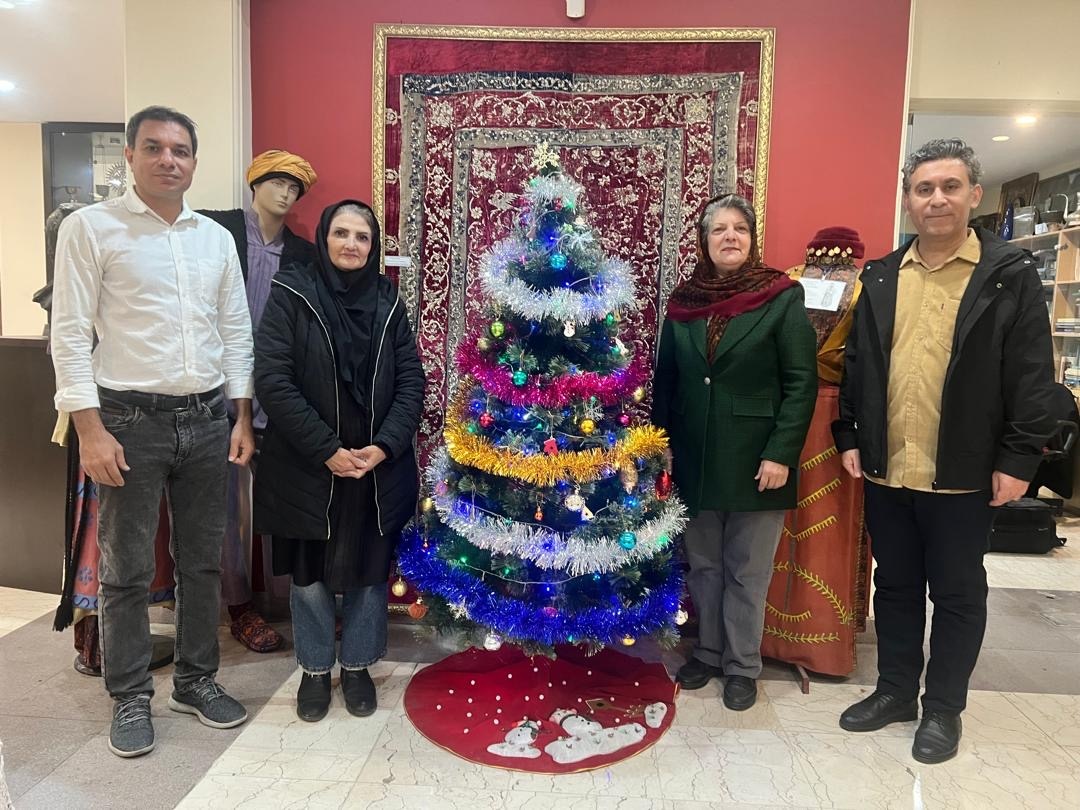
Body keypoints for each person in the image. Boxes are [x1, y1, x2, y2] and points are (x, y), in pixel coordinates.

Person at [833, 138, 1057, 764]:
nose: (937, 199)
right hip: (890, 468)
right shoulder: (882, 275)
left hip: (963, 472)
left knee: (958, 594)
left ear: (974, 195)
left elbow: (1033, 375)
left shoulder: (1008, 274)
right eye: (924, 188)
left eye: (950, 187)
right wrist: (849, 434)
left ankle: (943, 708)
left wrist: (1019, 460)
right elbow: (858, 364)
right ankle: (896, 691)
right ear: (907, 200)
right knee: (894, 586)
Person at [50, 105, 255, 758]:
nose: (169, 159)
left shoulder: (213, 238)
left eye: (181, 150)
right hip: (127, 422)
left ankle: (195, 681)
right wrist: (89, 429)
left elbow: (235, 329)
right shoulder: (91, 228)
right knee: (128, 567)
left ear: (194, 160)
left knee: (202, 562)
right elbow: (69, 332)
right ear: (131, 156)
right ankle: (130, 695)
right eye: (155, 147)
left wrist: (241, 415)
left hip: (207, 420)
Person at [253, 199, 424, 722]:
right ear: (324, 238)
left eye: (362, 237)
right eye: (341, 233)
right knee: (309, 573)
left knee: (370, 570)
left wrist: (385, 446)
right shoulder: (292, 293)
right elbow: (273, 380)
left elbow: (411, 382)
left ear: (373, 248)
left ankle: (357, 667)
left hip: (373, 468)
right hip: (308, 464)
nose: (351, 244)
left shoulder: (388, 302)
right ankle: (314, 669)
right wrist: (326, 449)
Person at [652, 193, 817, 710]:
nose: (730, 237)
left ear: (752, 239)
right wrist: (663, 447)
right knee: (704, 565)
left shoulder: (780, 295)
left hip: (757, 459)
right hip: (694, 456)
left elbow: (801, 381)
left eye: (739, 229)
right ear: (704, 241)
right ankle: (708, 651)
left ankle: (743, 665)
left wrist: (781, 452)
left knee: (748, 569)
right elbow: (667, 381)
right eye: (719, 229)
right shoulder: (684, 303)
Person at [200, 149, 318, 653]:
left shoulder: (304, 253)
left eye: (295, 187)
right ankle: (237, 606)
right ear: (255, 183)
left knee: (280, 502)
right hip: (213, 386)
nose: (286, 193)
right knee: (221, 506)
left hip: (275, 389)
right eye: (277, 182)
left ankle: (293, 601)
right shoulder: (214, 230)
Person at [760, 227, 870, 677]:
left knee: (788, 523)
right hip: (831, 419)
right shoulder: (861, 287)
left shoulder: (787, 282)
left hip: (801, 416)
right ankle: (818, 644)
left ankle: (775, 637)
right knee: (816, 526)